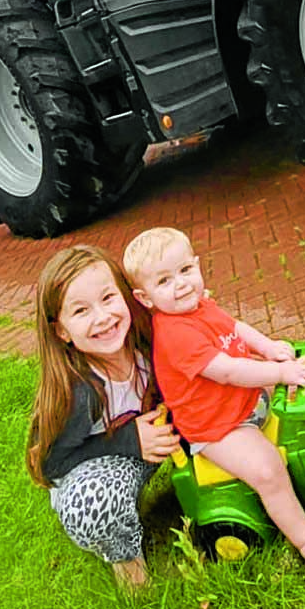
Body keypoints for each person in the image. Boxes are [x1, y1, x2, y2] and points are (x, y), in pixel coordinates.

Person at [122, 226, 305, 570]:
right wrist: (280, 373)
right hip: (219, 428)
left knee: (303, 407)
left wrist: (267, 348)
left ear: (197, 264)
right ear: (145, 298)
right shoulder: (176, 333)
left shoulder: (199, 305)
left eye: (185, 271)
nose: (180, 284)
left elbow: (234, 328)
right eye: (163, 281)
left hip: (244, 401)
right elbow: (228, 372)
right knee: (269, 471)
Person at [26, 245, 180, 590]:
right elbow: (50, 465)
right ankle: (132, 576)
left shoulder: (145, 342)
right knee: (95, 500)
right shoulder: (77, 392)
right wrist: (129, 440)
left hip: (149, 443)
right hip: (93, 472)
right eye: (81, 310)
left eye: (108, 298)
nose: (103, 317)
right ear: (62, 331)